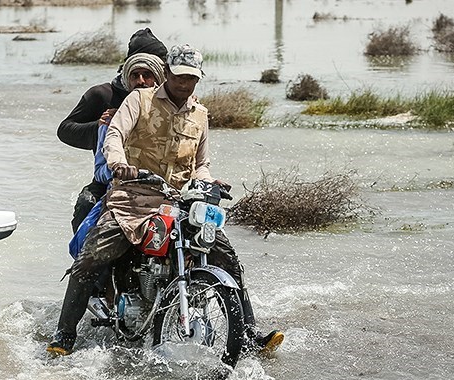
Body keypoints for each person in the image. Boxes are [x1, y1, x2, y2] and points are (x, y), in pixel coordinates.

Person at [48, 44, 284, 357]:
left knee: (227, 257)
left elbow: (201, 162)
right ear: (168, 73)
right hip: (133, 198)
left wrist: (208, 179)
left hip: (180, 200)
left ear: (198, 79)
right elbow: (115, 135)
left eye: (191, 78)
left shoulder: (199, 114)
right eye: (178, 76)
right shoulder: (139, 99)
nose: (184, 83)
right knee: (90, 259)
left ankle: (249, 333)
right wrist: (118, 161)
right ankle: (64, 336)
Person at [57, 27, 168, 234]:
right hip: (111, 178)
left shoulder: (167, 100)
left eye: (150, 72)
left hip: (159, 180)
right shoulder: (102, 95)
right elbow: (65, 130)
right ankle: (83, 263)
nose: (142, 81)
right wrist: (100, 126)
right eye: (136, 73)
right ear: (128, 69)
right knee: (85, 205)